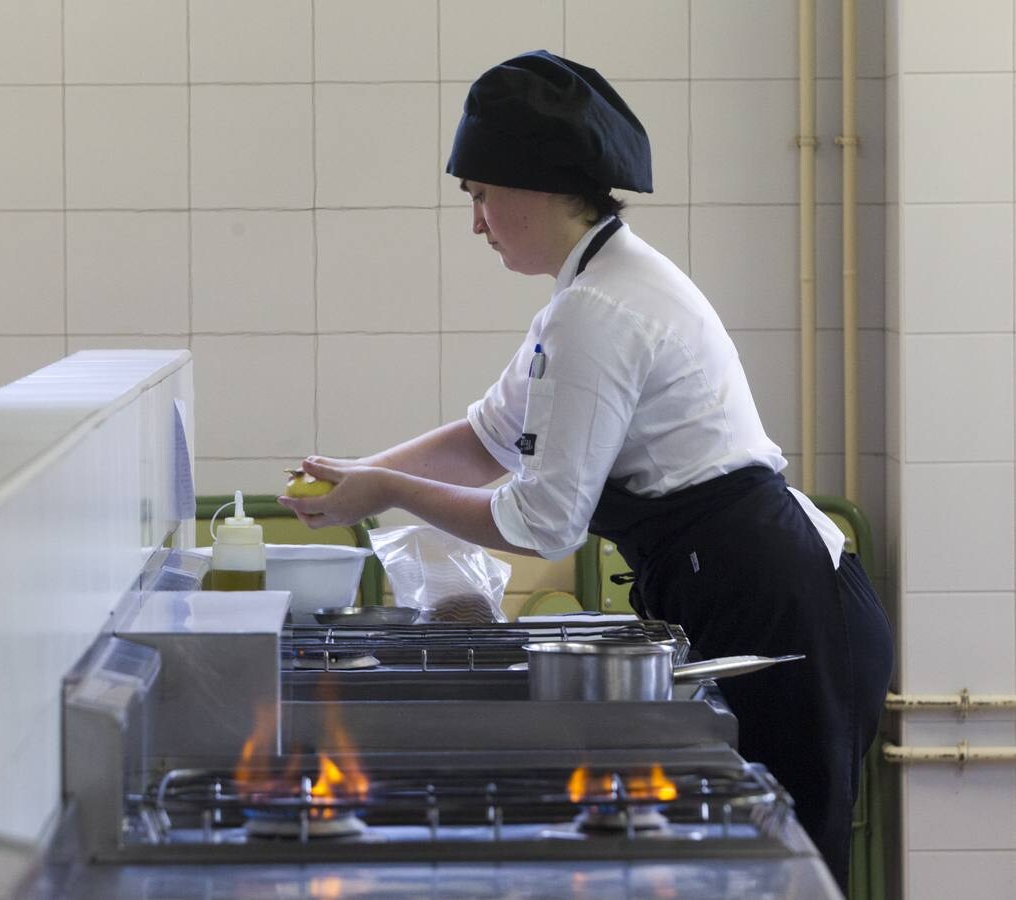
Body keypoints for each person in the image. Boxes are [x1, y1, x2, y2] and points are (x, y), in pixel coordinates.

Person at [277, 50, 893, 892]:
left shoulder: (598, 311)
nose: (477, 222)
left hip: (785, 617)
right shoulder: (589, 294)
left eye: (481, 196)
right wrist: (353, 476)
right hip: (753, 594)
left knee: (776, 875)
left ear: (532, 187)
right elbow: (490, 437)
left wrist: (381, 493)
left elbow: (541, 521)